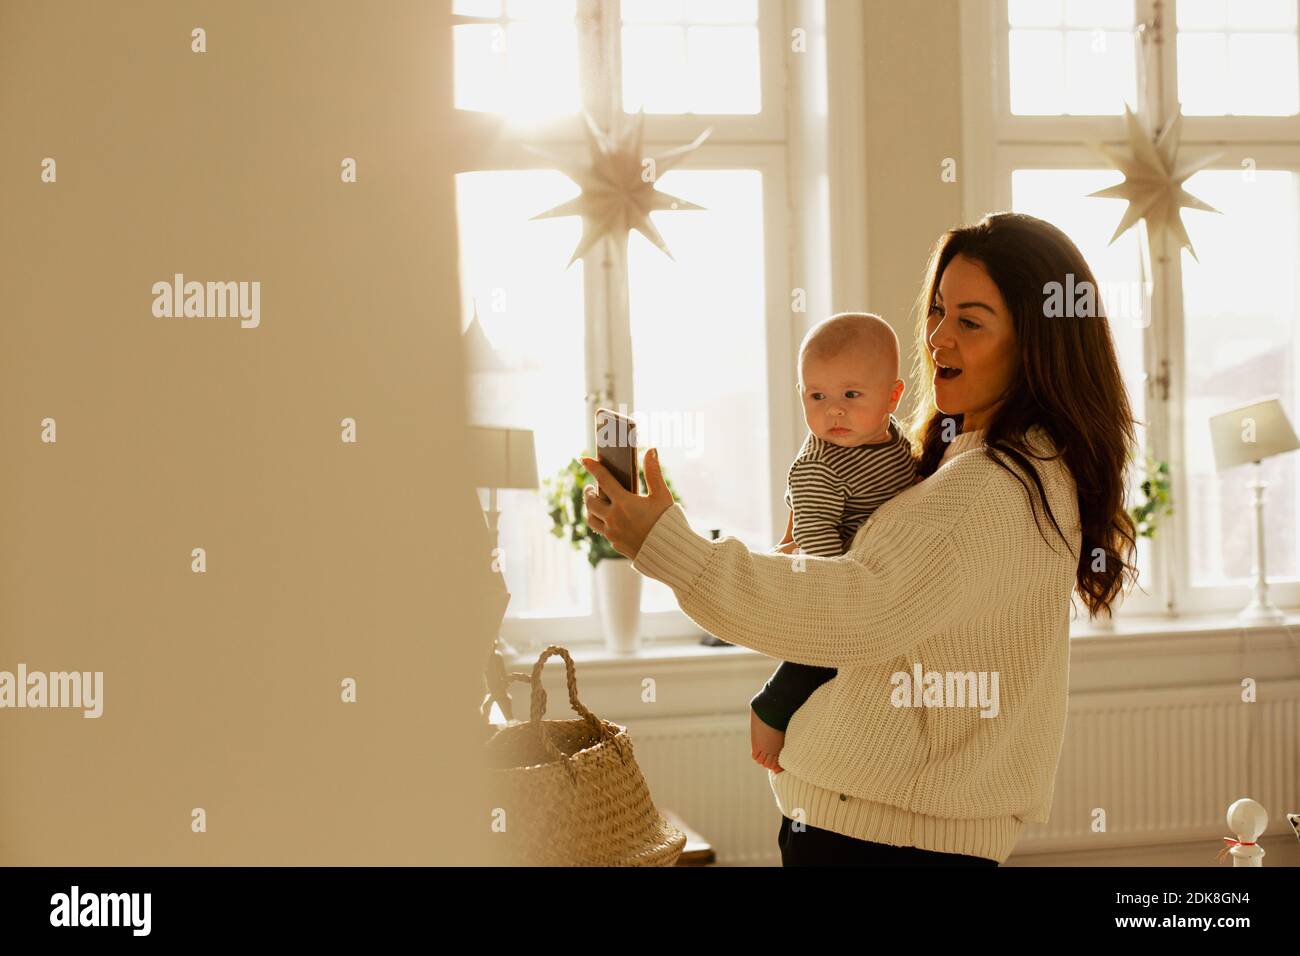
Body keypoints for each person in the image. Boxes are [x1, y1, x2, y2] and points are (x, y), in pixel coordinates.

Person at [580, 212, 1138, 866]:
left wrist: (669, 547)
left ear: (1036, 342)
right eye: (937, 311)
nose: (936, 338)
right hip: (884, 828)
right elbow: (887, 605)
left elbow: (857, 611)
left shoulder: (991, 484)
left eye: (970, 320)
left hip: (878, 839)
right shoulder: (1003, 464)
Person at [750, 312, 917, 776]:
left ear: (892, 396)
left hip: (880, 582)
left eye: (850, 395)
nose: (833, 411)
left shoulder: (893, 440)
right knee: (820, 655)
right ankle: (771, 705)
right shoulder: (818, 469)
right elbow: (822, 566)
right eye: (816, 395)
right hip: (832, 586)